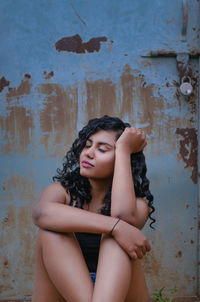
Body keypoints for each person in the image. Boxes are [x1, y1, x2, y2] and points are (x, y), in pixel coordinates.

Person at [31, 115, 155, 302]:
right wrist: (115, 227)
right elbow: (41, 214)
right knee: (50, 233)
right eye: (87, 145)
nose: (88, 153)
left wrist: (123, 151)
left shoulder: (137, 205)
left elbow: (123, 217)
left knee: (115, 241)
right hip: (65, 292)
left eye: (103, 149)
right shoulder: (61, 193)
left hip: (117, 294)